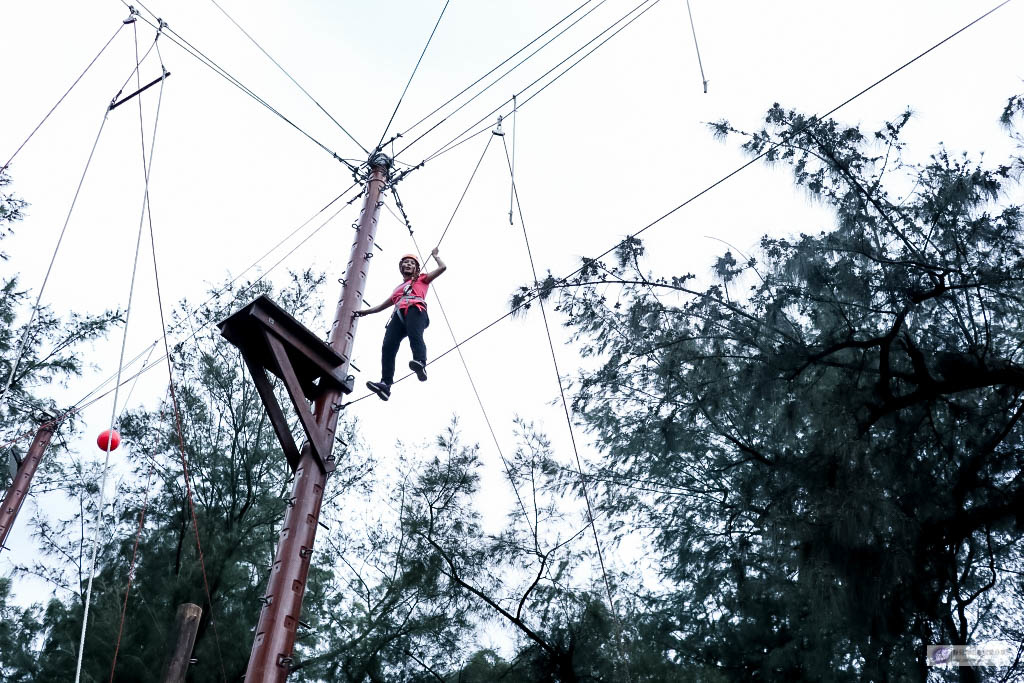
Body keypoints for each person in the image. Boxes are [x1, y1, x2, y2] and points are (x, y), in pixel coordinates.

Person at [355, 248, 447, 401]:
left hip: (416, 310)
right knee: (388, 345)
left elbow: (442, 268)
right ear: (402, 267)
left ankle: (420, 362)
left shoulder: (422, 279)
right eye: (406, 263)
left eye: (411, 263)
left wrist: (436, 257)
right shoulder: (397, 289)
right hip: (399, 316)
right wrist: (367, 312)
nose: (408, 265)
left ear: (416, 268)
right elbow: (382, 306)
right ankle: (385, 384)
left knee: (414, 334)